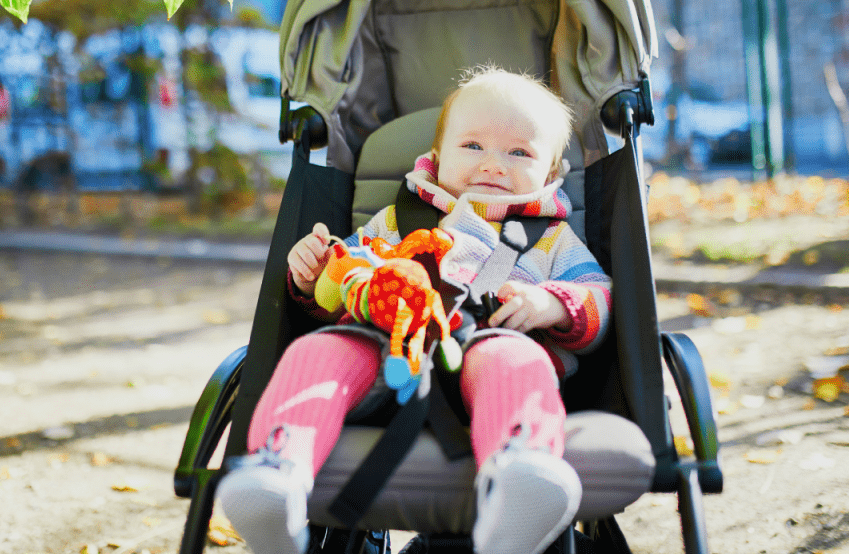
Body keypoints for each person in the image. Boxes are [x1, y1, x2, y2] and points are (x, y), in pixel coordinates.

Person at [216, 67, 613, 554]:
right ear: (437, 158)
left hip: (486, 358)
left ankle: (521, 476)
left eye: (519, 153)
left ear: (550, 175)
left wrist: (553, 304)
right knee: (317, 351)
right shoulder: (395, 221)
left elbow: (599, 296)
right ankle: (278, 473)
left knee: (517, 361)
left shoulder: (553, 239)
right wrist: (313, 274)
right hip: (383, 356)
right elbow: (342, 284)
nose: (493, 165)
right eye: (472, 146)